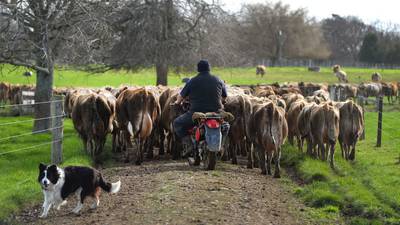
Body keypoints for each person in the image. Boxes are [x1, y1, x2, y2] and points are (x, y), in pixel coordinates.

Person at [173, 60, 228, 156]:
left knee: (177, 123)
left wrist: (177, 102)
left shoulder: (192, 81)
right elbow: (224, 97)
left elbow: (181, 96)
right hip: (216, 113)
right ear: (209, 68)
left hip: (196, 112)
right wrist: (221, 102)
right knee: (226, 126)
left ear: (198, 69)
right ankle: (221, 145)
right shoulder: (218, 80)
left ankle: (189, 144)